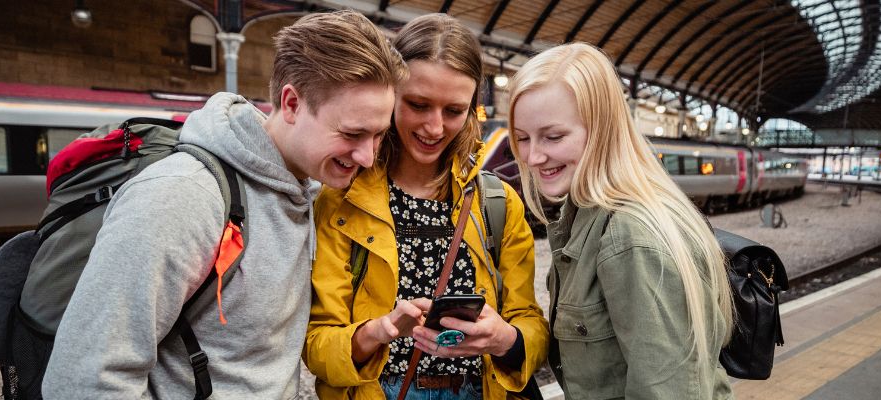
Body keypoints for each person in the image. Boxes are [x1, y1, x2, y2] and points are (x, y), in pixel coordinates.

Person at [42, 11, 407, 399]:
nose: (368, 156)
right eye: (353, 133)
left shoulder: (310, 192)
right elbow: (84, 379)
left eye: (379, 135)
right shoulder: (182, 196)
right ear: (292, 104)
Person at [305, 13, 547, 400]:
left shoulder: (497, 204)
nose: (434, 128)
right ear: (390, 95)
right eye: (418, 104)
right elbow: (318, 346)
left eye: (453, 111)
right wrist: (379, 331)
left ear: (471, 109)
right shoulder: (340, 202)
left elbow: (529, 322)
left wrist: (505, 339)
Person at [506, 42, 735, 399]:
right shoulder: (585, 214)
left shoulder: (629, 236)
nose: (533, 156)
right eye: (521, 138)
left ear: (601, 128)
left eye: (553, 136)